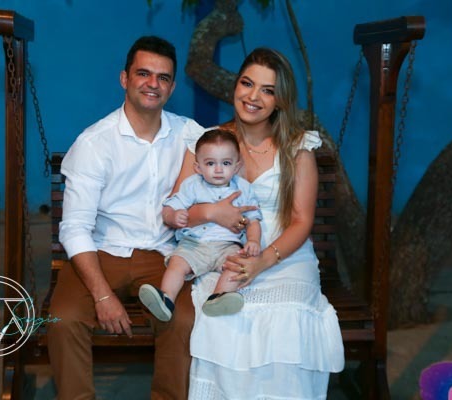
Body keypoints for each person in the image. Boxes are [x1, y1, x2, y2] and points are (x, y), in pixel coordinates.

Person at [174, 48, 345, 399]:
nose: (253, 97)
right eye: (247, 84)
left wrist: (263, 261)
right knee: (225, 317)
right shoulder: (208, 142)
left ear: (280, 100)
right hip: (223, 252)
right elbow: (179, 211)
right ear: (235, 86)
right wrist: (211, 213)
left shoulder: (297, 147)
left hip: (284, 256)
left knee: (284, 319)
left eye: (267, 90)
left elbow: (301, 220)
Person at [46, 36, 204, 400]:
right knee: (64, 321)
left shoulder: (188, 133)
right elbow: (75, 228)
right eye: (143, 73)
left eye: (163, 77)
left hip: (164, 256)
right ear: (124, 79)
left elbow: (233, 141)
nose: (153, 84)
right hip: (102, 252)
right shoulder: (94, 143)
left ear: (172, 87)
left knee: (183, 319)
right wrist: (102, 296)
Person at [139, 129, 263, 321]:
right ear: (198, 167)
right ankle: (166, 299)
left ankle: (219, 297)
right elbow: (170, 207)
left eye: (226, 163)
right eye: (210, 163)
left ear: (236, 166)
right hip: (194, 244)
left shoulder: (243, 188)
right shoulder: (192, 186)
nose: (218, 169)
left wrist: (253, 240)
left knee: (238, 266)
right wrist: (174, 216)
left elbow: (253, 219)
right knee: (177, 263)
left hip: (228, 246)